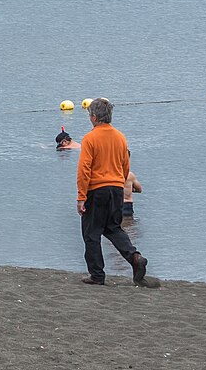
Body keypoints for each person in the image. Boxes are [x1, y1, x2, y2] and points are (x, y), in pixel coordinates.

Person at [75, 98, 156, 286]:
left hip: (97, 189)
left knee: (91, 233)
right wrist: (119, 183)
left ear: (94, 117)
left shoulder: (90, 138)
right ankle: (134, 257)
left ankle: (97, 275)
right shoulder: (120, 137)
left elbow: (84, 170)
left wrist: (81, 197)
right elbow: (125, 166)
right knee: (113, 228)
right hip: (117, 189)